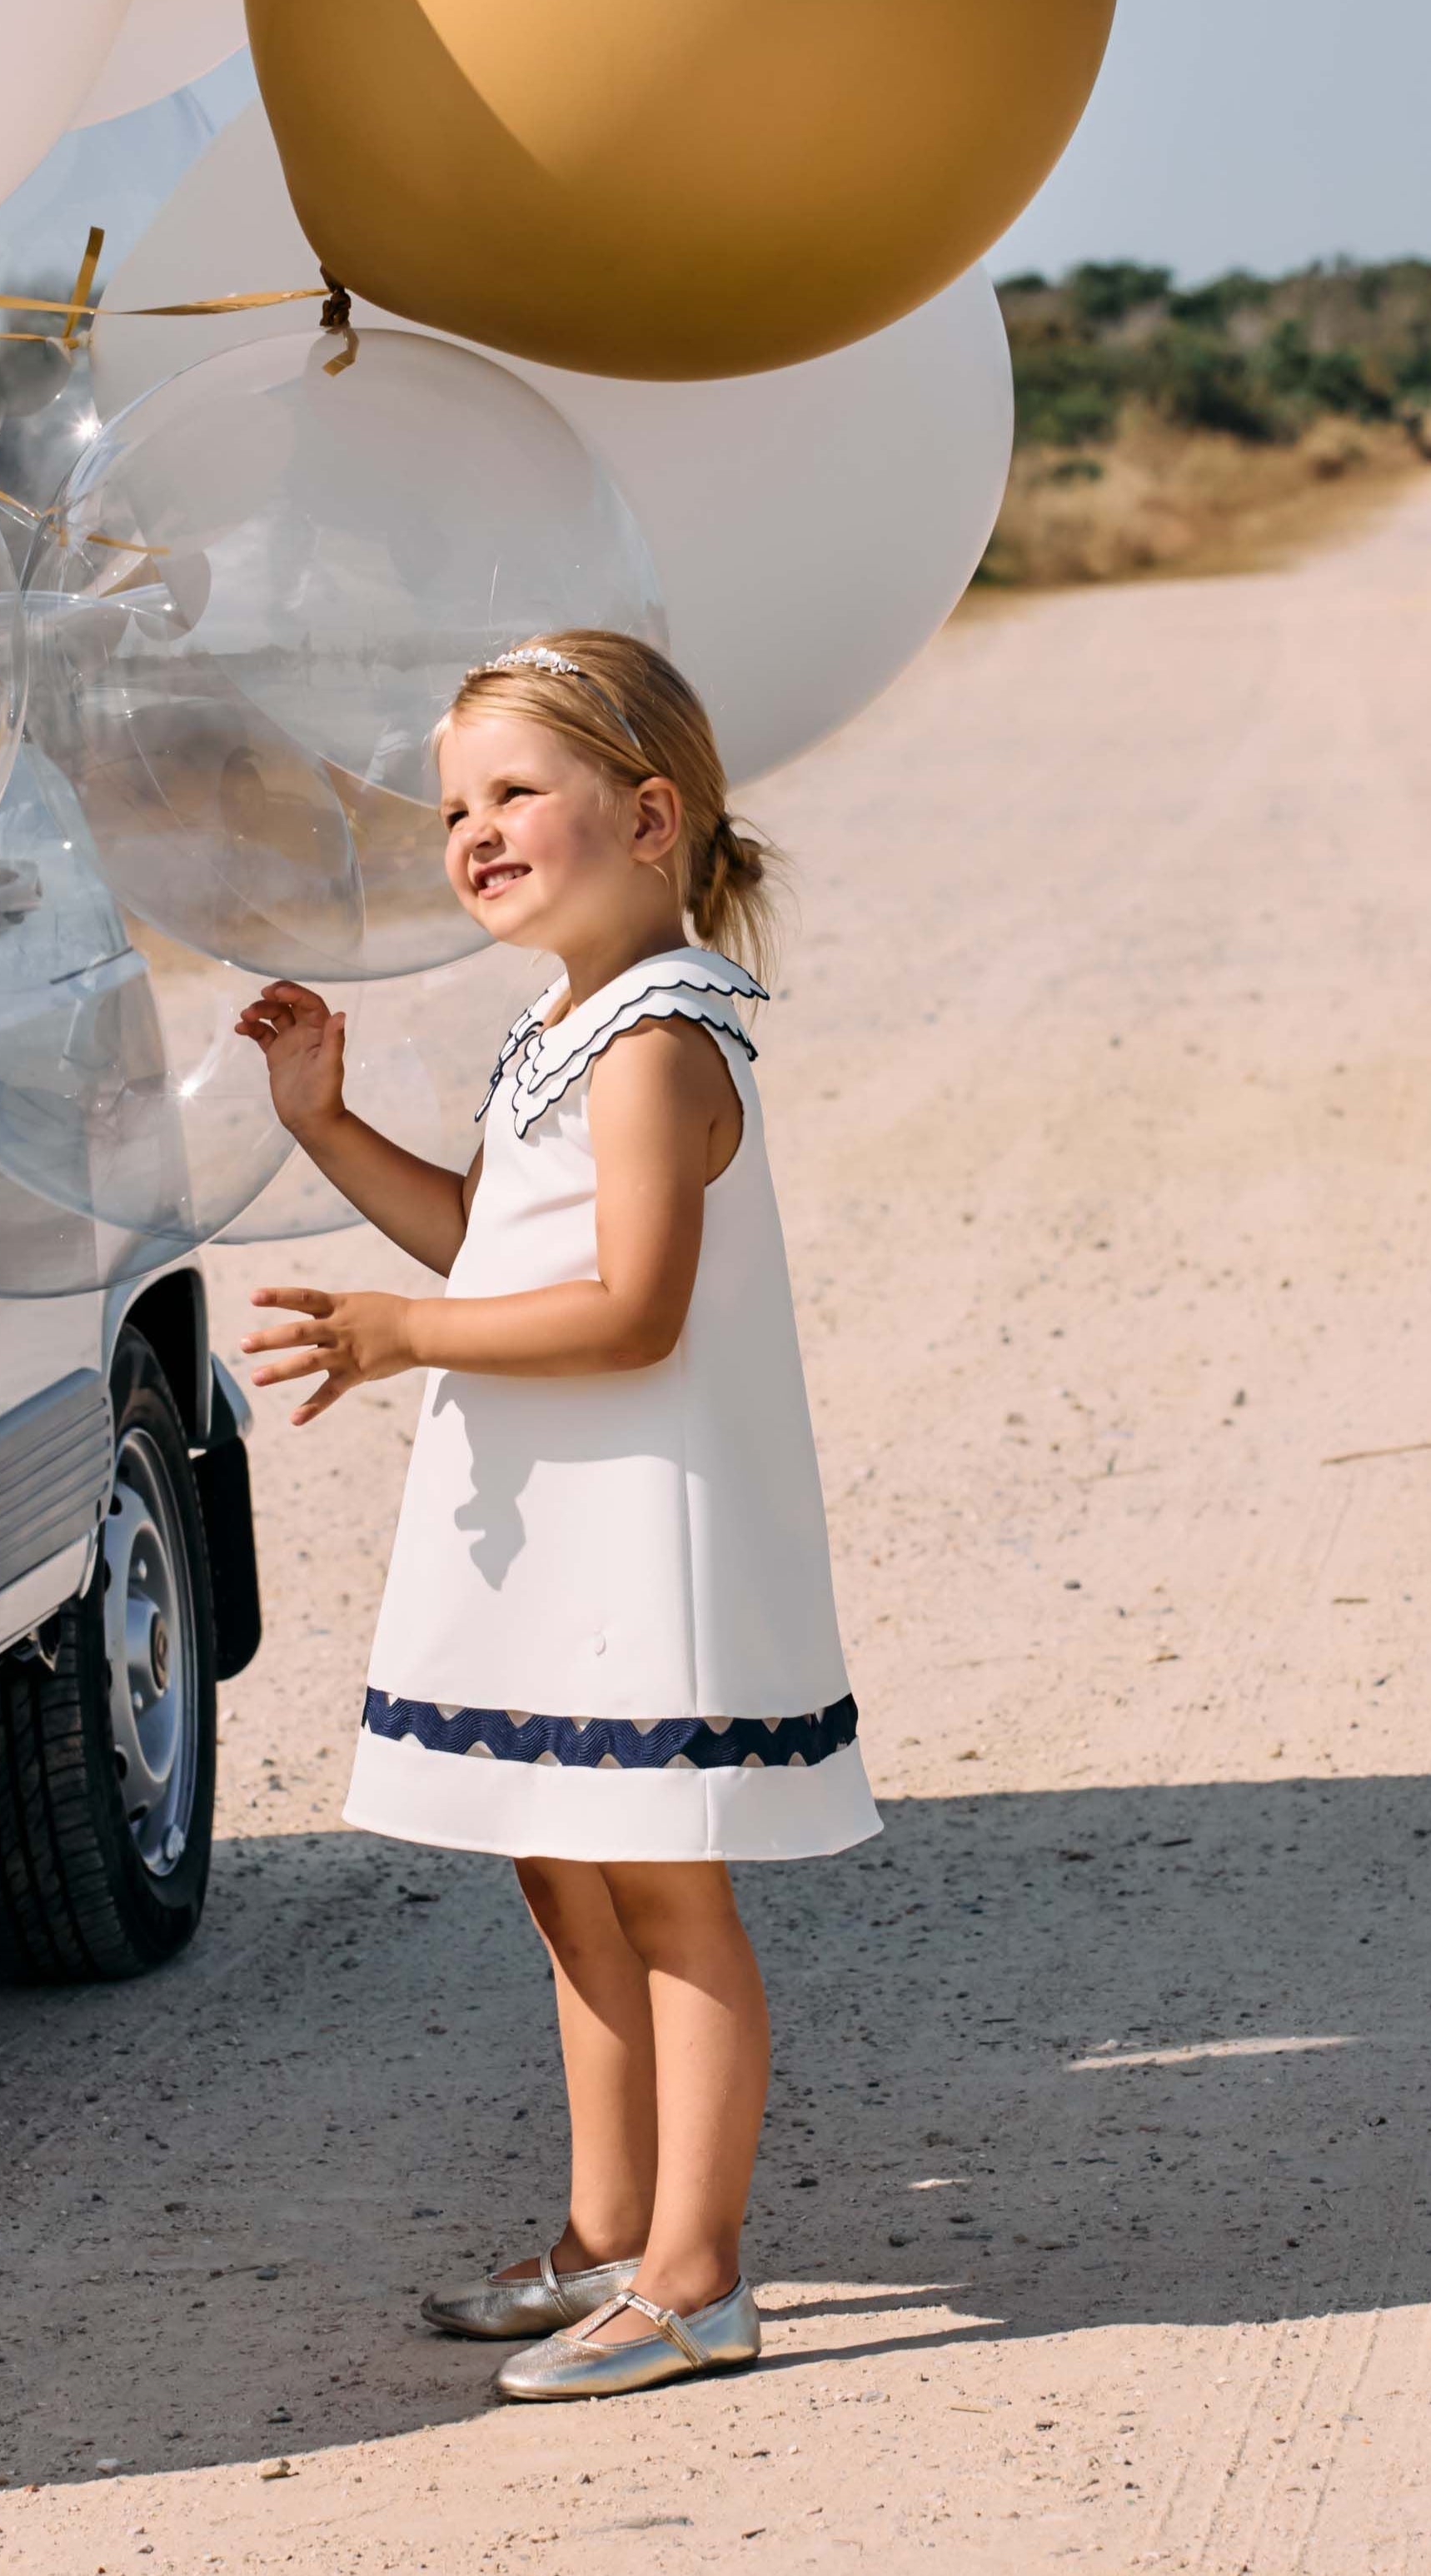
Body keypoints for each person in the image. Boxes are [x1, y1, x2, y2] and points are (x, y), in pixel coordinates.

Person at [233, 630, 875, 2404]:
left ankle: (698, 2276)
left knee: (667, 1890)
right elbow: (488, 1244)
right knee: (561, 1867)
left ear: (652, 814)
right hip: (551, 1523)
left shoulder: (663, 1043)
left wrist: (398, 1340)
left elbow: (632, 1307)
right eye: (455, 805)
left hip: (638, 1540)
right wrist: (324, 1123)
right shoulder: (565, 1023)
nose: (475, 831)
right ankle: (605, 2234)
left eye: (518, 792)